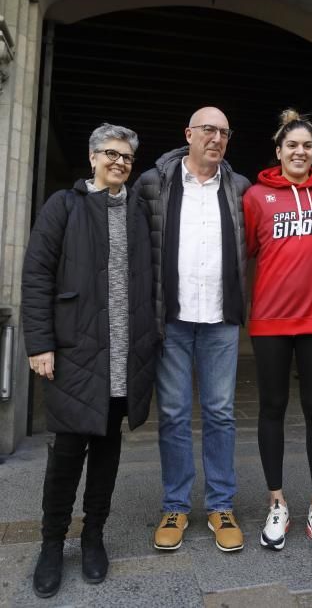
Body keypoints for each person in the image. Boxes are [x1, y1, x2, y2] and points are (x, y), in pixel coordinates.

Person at [21, 123, 156, 599]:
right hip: (77, 351)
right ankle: (52, 543)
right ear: (94, 156)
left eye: (127, 158)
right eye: (112, 154)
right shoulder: (65, 205)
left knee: (107, 449)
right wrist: (39, 343)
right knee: (66, 453)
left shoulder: (138, 211)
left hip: (125, 353)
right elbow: (37, 273)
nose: (120, 162)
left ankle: (94, 534)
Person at [134, 107, 250, 552]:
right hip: (173, 319)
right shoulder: (153, 183)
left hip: (221, 319)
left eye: (223, 131)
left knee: (220, 413)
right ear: (189, 134)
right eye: (208, 130)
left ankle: (221, 505)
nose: (216, 138)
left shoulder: (238, 188)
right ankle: (176, 505)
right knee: (175, 415)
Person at [243, 109, 312, 555]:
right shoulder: (256, 197)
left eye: (307, 146)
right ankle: (277, 502)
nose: (300, 152)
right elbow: (245, 254)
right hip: (270, 322)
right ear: (278, 151)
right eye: (292, 145)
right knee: (273, 408)